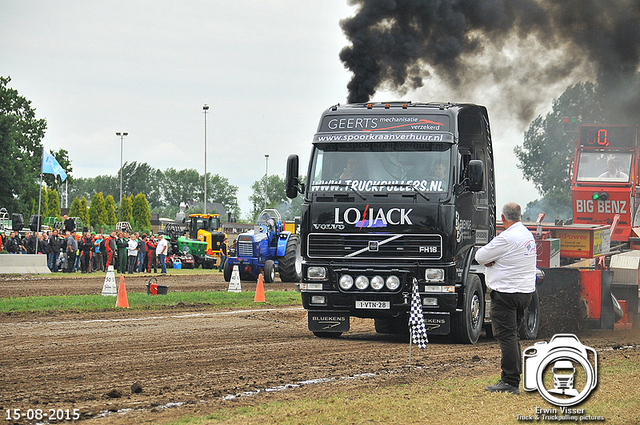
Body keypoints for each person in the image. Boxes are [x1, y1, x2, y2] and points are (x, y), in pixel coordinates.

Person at [475, 202, 536, 395]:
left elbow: (480, 256)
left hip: (506, 294)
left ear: (503, 218)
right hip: (525, 293)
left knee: (506, 336)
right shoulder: (527, 235)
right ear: (520, 215)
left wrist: (491, 261)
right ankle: (512, 378)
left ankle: (510, 381)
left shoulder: (506, 238)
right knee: (513, 336)